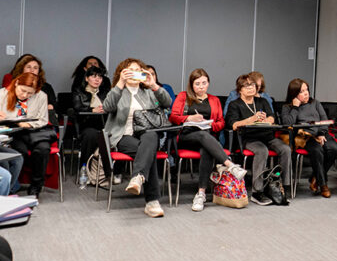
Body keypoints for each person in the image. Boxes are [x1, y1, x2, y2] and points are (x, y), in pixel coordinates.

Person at [169, 69, 246, 212]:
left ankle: (201, 193)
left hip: (207, 137)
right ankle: (230, 164)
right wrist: (189, 118)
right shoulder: (183, 96)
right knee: (203, 136)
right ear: (192, 85)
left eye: (204, 83)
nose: (201, 86)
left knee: (207, 148)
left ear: (208, 83)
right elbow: (173, 117)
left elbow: (221, 123)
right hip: (187, 136)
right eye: (197, 84)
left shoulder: (214, 100)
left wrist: (210, 124)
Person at [103, 58, 172, 218]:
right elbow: (107, 107)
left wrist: (153, 85)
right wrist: (120, 83)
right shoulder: (118, 91)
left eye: (138, 70)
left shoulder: (147, 92)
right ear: (123, 73)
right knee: (150, 154)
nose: (134, 73)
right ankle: (152, 202)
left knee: (150, 137)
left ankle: (138, 177)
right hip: (123, 136)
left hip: (146, 135)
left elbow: (167, 103)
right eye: (130, 70)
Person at [225, 74, 291, 206]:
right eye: (247, 85)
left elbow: (272, 118)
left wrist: (267, 120)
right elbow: (233, 124)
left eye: (253, 85)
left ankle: (283, 186)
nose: (251, 88)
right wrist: (251, 120)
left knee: (286, 149)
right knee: (262, 151)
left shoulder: (262, 101)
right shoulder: (235, 104)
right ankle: (257, 191)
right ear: (239, 90)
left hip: (267, 135)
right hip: (248, 138)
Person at [0, 72, 50, 197]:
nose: (25, 95)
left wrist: (29, 125)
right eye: (23, 91)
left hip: (34, 132)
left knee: (42, 149)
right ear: (17, 83)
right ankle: (10, 189)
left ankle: (34, 187)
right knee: (18, 154)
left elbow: (43, 119)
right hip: (10, 133)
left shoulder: (41, 96)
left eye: (30, 93)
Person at [280, 78, 337, 198]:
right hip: (305, 136)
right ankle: (323, 185)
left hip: (321, 133)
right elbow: (287, 124)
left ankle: (315, 177)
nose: (306, 93)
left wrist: (322, 133)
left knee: (333, 149)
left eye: (306, 90)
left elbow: (324, 120)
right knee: (317, 151)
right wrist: (295, 108)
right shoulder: (287, 107)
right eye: (301, 91)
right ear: (294, 94)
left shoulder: (315, 103)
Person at [72, 66, 110, 184]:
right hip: (86, 124)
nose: (97, 79)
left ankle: (110, 173)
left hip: (105, 124)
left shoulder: (106, 93)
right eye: (93, 76)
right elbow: (77, 107)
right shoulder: (79, 91)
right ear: (87, 78)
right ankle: (84, 168)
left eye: (99, 77)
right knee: (91, 134)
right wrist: (92, 110)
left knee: (113, 135)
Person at [2, 54, 56, 118]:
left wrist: (49, 106)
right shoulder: (14, 83)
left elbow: (53, 105)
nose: (32, 70)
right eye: (28, 67)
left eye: (35, 68)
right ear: (22, 69)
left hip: (41, 117)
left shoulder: (46, 86)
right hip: (15, 116)